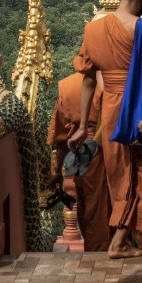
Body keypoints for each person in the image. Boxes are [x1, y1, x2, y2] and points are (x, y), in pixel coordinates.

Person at [68, 0, 142, 258]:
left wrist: (83, 126)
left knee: (120, 174)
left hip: (110, 109)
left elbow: (87, 79)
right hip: (141, 110)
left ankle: (128, 238)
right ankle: (122, 239)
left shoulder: (93, 30)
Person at [47, 71, 111, 251]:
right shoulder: (111, 82)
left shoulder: (68, 85)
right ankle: (104, 256)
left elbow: (61, 136)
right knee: (103, 211)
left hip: (80, 156)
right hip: (107, 151)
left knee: (89, 212)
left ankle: (94, 255)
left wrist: (57, 171)